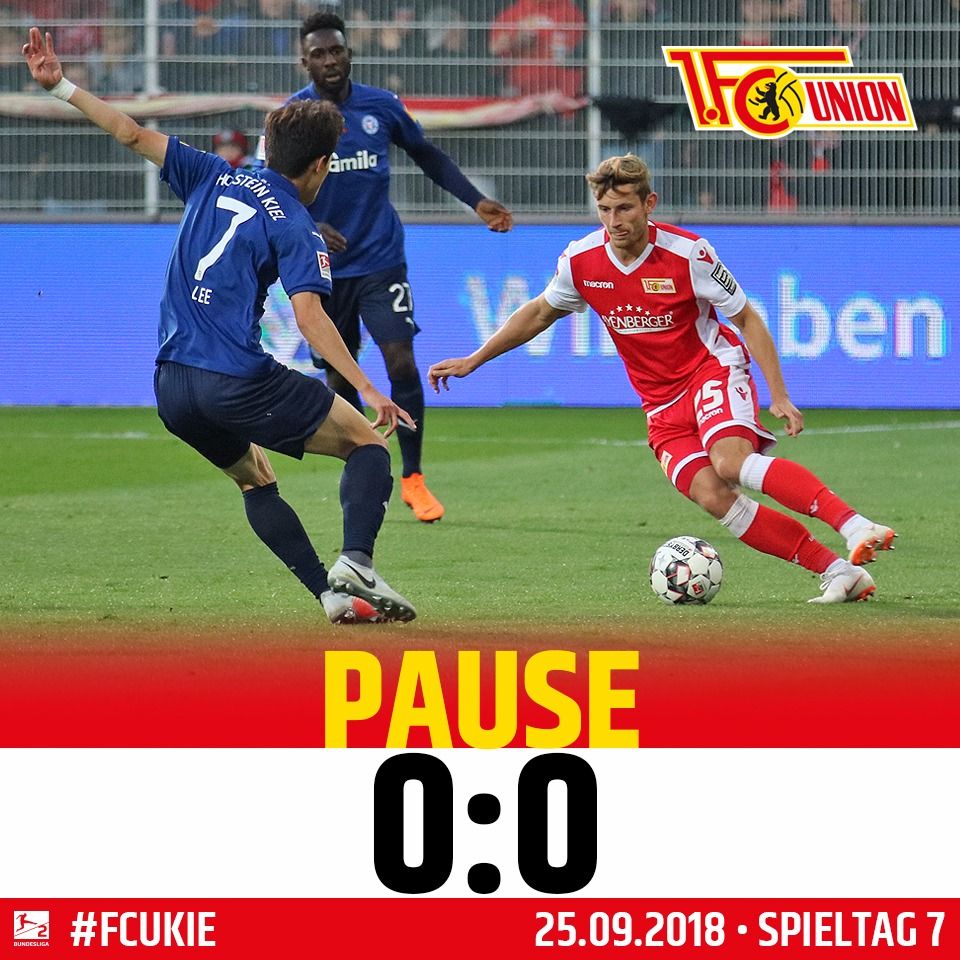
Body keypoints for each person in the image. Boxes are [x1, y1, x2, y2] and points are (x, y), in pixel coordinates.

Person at [22, 26, 417, 624]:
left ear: (267, 147)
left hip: (171, 386)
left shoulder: (211, 172)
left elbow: (130, 133)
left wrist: (61, 87)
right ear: (320, 165)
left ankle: (330, 595)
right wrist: (368, 388)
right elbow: (309, 317)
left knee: (256, 479)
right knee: (367, 445)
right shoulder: (297, 225)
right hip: (234, 376)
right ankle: (357, 561)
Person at [429, 154, 896, 604]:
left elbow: (747, 318)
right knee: (714, 496)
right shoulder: (581, 260)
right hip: (659, 404)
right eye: (605, 209)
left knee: (730, 463)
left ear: (649, 204)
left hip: (709, 370)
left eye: (624, 208)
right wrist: (475, 359)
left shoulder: (689, 253)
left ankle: (855, 525)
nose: (614, 221)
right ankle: (840, 573)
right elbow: (538, 313)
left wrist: (779, 394)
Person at [264, 10, 513, 523]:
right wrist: (310, 224)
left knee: (400, 362)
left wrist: (475, 201)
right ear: (304, 61)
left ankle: (414, 476)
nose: (329, 60)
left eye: (336, 50)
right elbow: (269, 188)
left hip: (381, 260)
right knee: (340, 376)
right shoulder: (293, 118)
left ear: (350, 53)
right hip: (322, 270)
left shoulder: (380, 106)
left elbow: (427, 154)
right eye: (318, 53)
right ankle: (363, 465)